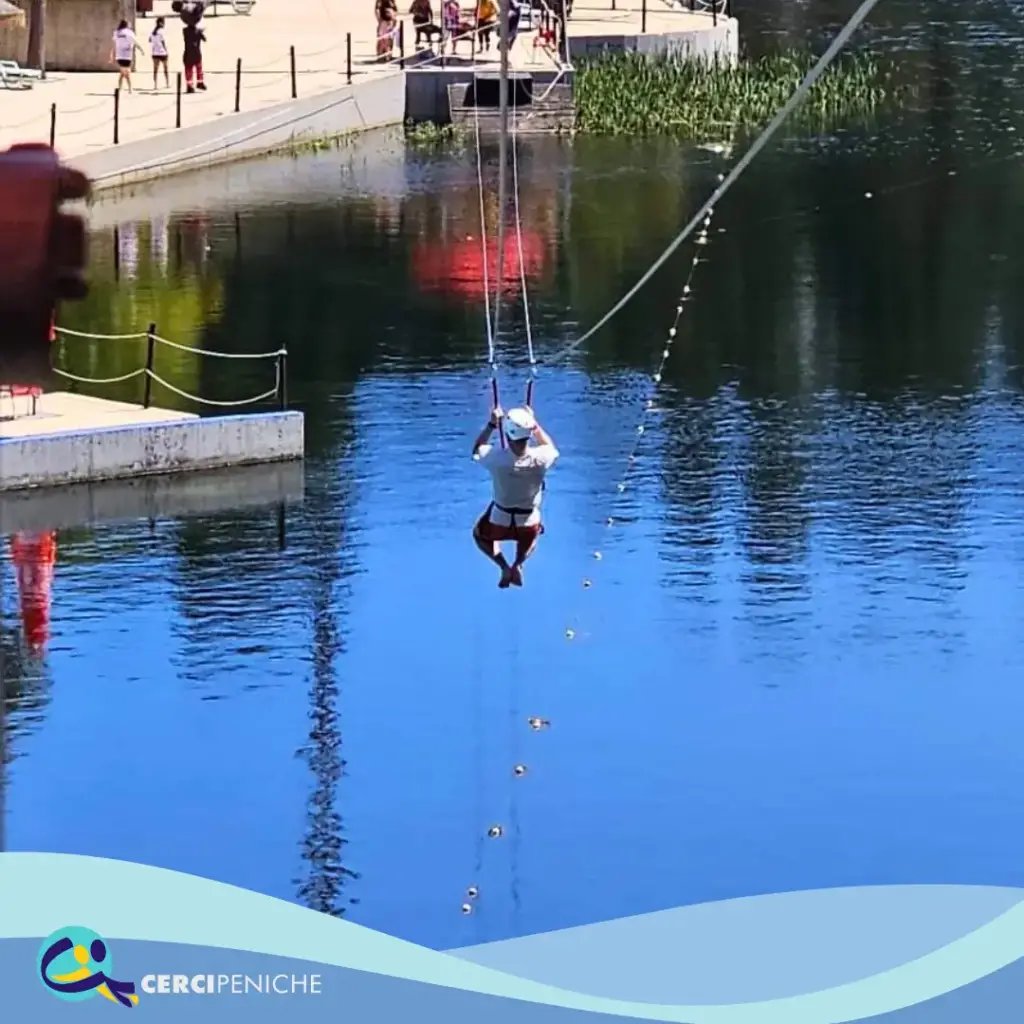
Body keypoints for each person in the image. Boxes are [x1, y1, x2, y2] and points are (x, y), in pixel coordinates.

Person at [472, 405, 559, 588]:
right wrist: (534, 425)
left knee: (480, 536)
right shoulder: (541, 458)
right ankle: (518, 563)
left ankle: (503, 565)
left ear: (508, 434)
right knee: (532, 537)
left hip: (499, 520)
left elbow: (476, 450)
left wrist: (492, 424)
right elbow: (549, 446)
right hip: (528, 522)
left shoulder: (496, 458)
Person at [110, 19, 144, 93]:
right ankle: (130, 88)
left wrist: (112, 55)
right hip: (127, 56)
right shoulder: (129, 33)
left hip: (119, 56)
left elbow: (114, 45)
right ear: (127, 25)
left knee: (123, 72)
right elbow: (135, 42)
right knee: (127, 72)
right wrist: (141, 50)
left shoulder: (116, 32)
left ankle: (120, 88)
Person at [182, 17, 206, 93]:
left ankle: (189, 86)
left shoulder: (185, 31)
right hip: (196, 53)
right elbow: (204, 39)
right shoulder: (198, 31)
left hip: (188, 53)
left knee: (188, 70)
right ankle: (200, 83)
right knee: (199, 68)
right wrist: (201, 31)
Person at [149, 17, 170, 90]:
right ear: (161, 23)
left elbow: (149, 40)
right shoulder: (162, 31)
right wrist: (166, 50)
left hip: (155, 52)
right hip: (162, 52)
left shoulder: (153, 32)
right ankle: (167, 83)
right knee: (166, 68)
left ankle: (155, 85)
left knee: (155, 69)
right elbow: (163, 42)